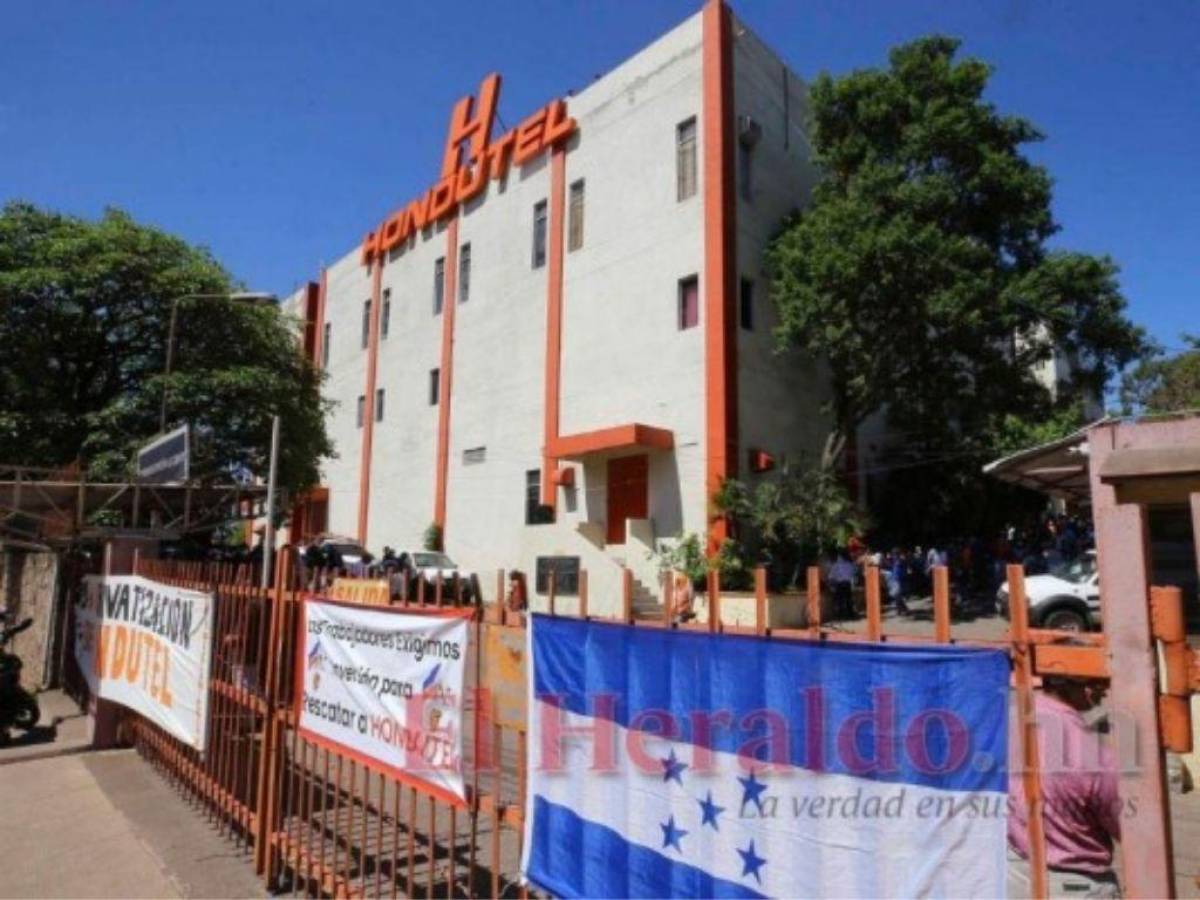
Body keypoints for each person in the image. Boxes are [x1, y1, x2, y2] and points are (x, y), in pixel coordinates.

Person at [1007, 675, 1122, 898]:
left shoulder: (1009, 722)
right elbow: (1128, 830)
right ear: (1086, 688)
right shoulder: (1095, 757)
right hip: (1077, 886)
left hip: (1016, 875)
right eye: (1100, 684)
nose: (1105, 691)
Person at [827, 552, 857, 619]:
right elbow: (854, 572)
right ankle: (851, 614)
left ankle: (840, 615)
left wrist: (831, 582)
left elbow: (831, 576)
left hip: (840, 584)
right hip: (848, 584)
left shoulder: (836, 565)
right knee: (848, 600)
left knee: (840, 600)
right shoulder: (850, 564)